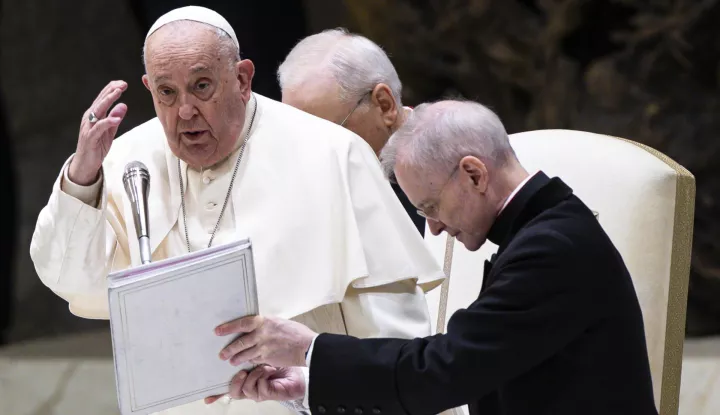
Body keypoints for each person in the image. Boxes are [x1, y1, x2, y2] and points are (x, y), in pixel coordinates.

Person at [29, 6, 445, 415]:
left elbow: (394, 330)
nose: (185, 111)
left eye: (202, 86)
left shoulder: (332, 153)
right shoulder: (123, 162)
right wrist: (82, 179)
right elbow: (71, 281)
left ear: (243, 79)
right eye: (166, 93)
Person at [210, 100, 659, 415]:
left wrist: (308, 348)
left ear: (473, 173)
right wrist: (309, 386)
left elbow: (444, 369)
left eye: (430, 207)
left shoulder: (552, 249)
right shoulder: (544, 231)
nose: (436, 227)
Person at [277, 28, 425, 236]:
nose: (316, 157)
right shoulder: (317, 200)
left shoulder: (453, 169)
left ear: (384, 105)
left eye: (328, 137)